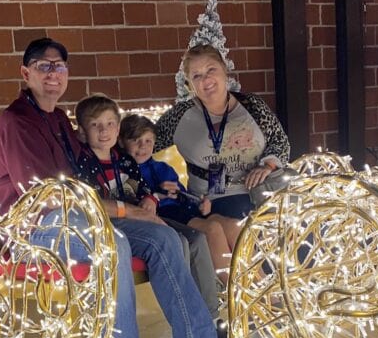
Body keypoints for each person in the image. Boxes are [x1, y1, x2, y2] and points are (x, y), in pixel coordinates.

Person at [0, 37, 225, 338]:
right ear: (26, 73)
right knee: (112, 244)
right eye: (44, 66)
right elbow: (51, 197)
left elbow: (89, 178)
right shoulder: (17, 123)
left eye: (59, 66)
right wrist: (127, 212)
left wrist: (138, 199)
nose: (53, 74)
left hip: (79, 217)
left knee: (166, 239)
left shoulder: (57, 120)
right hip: (35, 228)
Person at [72, 95, 221, 318]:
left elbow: (144, 192)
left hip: (143, 216)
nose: (104, 131)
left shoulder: (124, 161)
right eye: (95, 125)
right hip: (119, 223)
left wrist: (151, 199)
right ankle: (187, 315)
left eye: (110, 124)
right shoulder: (83, 164)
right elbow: (92, 203)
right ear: (82, 131)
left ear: (117, 128)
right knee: (176, 240)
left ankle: (210, 314)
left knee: (197, 238)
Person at [154, 43, 291, 249]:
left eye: (211, 70)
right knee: (249, 228)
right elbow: (142, 144)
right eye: (197, 76)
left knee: (296, 223)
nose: (206, 80)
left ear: (224, 70)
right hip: (213, 200)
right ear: (189, 84)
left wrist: (268, 165)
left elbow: (280, 141)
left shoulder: (252, 105)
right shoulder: (179, 116)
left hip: (261, 191)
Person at [120, 113, 231, 284]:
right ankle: (230, 284)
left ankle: (228, 282)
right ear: (122, 142)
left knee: (223, 224)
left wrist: (199, 203)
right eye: (136, 140)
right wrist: (158, 193)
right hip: (166, 213)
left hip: (185, 209)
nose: (143, 146)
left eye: (148, 141)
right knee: (212, 228)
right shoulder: (125, 170)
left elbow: (182, 194)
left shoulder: (162, 167)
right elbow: (134, 197)